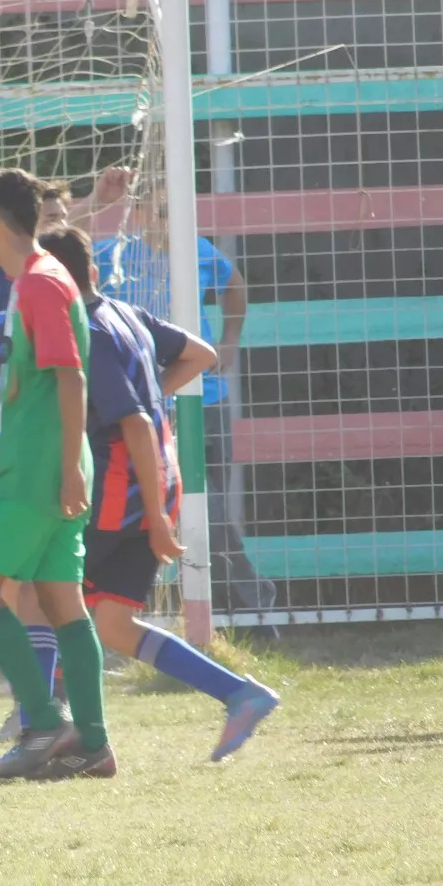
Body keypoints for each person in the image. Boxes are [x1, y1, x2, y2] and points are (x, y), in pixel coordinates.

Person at [40, 224, 279, 762]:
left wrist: (152, 510)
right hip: (153, 480)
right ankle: (240, 694)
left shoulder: (88, 335)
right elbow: (199, 353)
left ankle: (46, 725)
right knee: (113, 625)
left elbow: (133, 426)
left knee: (39, 593)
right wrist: (151, 401)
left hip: (120, 491)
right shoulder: (126, 314)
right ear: (93, 273)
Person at [0, 169, 129, 749]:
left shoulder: (38, 282)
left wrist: (65, 469)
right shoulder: (36, 279)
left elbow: (71, 378)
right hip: (47, 468)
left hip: (36, 472)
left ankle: (42, 722)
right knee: (63, 603)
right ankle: (92, 742)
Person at [93, 181, 276, 617]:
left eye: (172, 211)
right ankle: (136, 610)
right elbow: (53, 242)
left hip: (202, 398)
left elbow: (235, 287)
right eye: (157, 212)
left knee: (205, 506)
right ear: (135, 214)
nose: (166, 222)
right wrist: (95, 202)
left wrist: (230, 340)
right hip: (142, 407)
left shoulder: (199, 250)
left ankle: (247, 605)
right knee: (152, 508)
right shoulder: (109, 254)